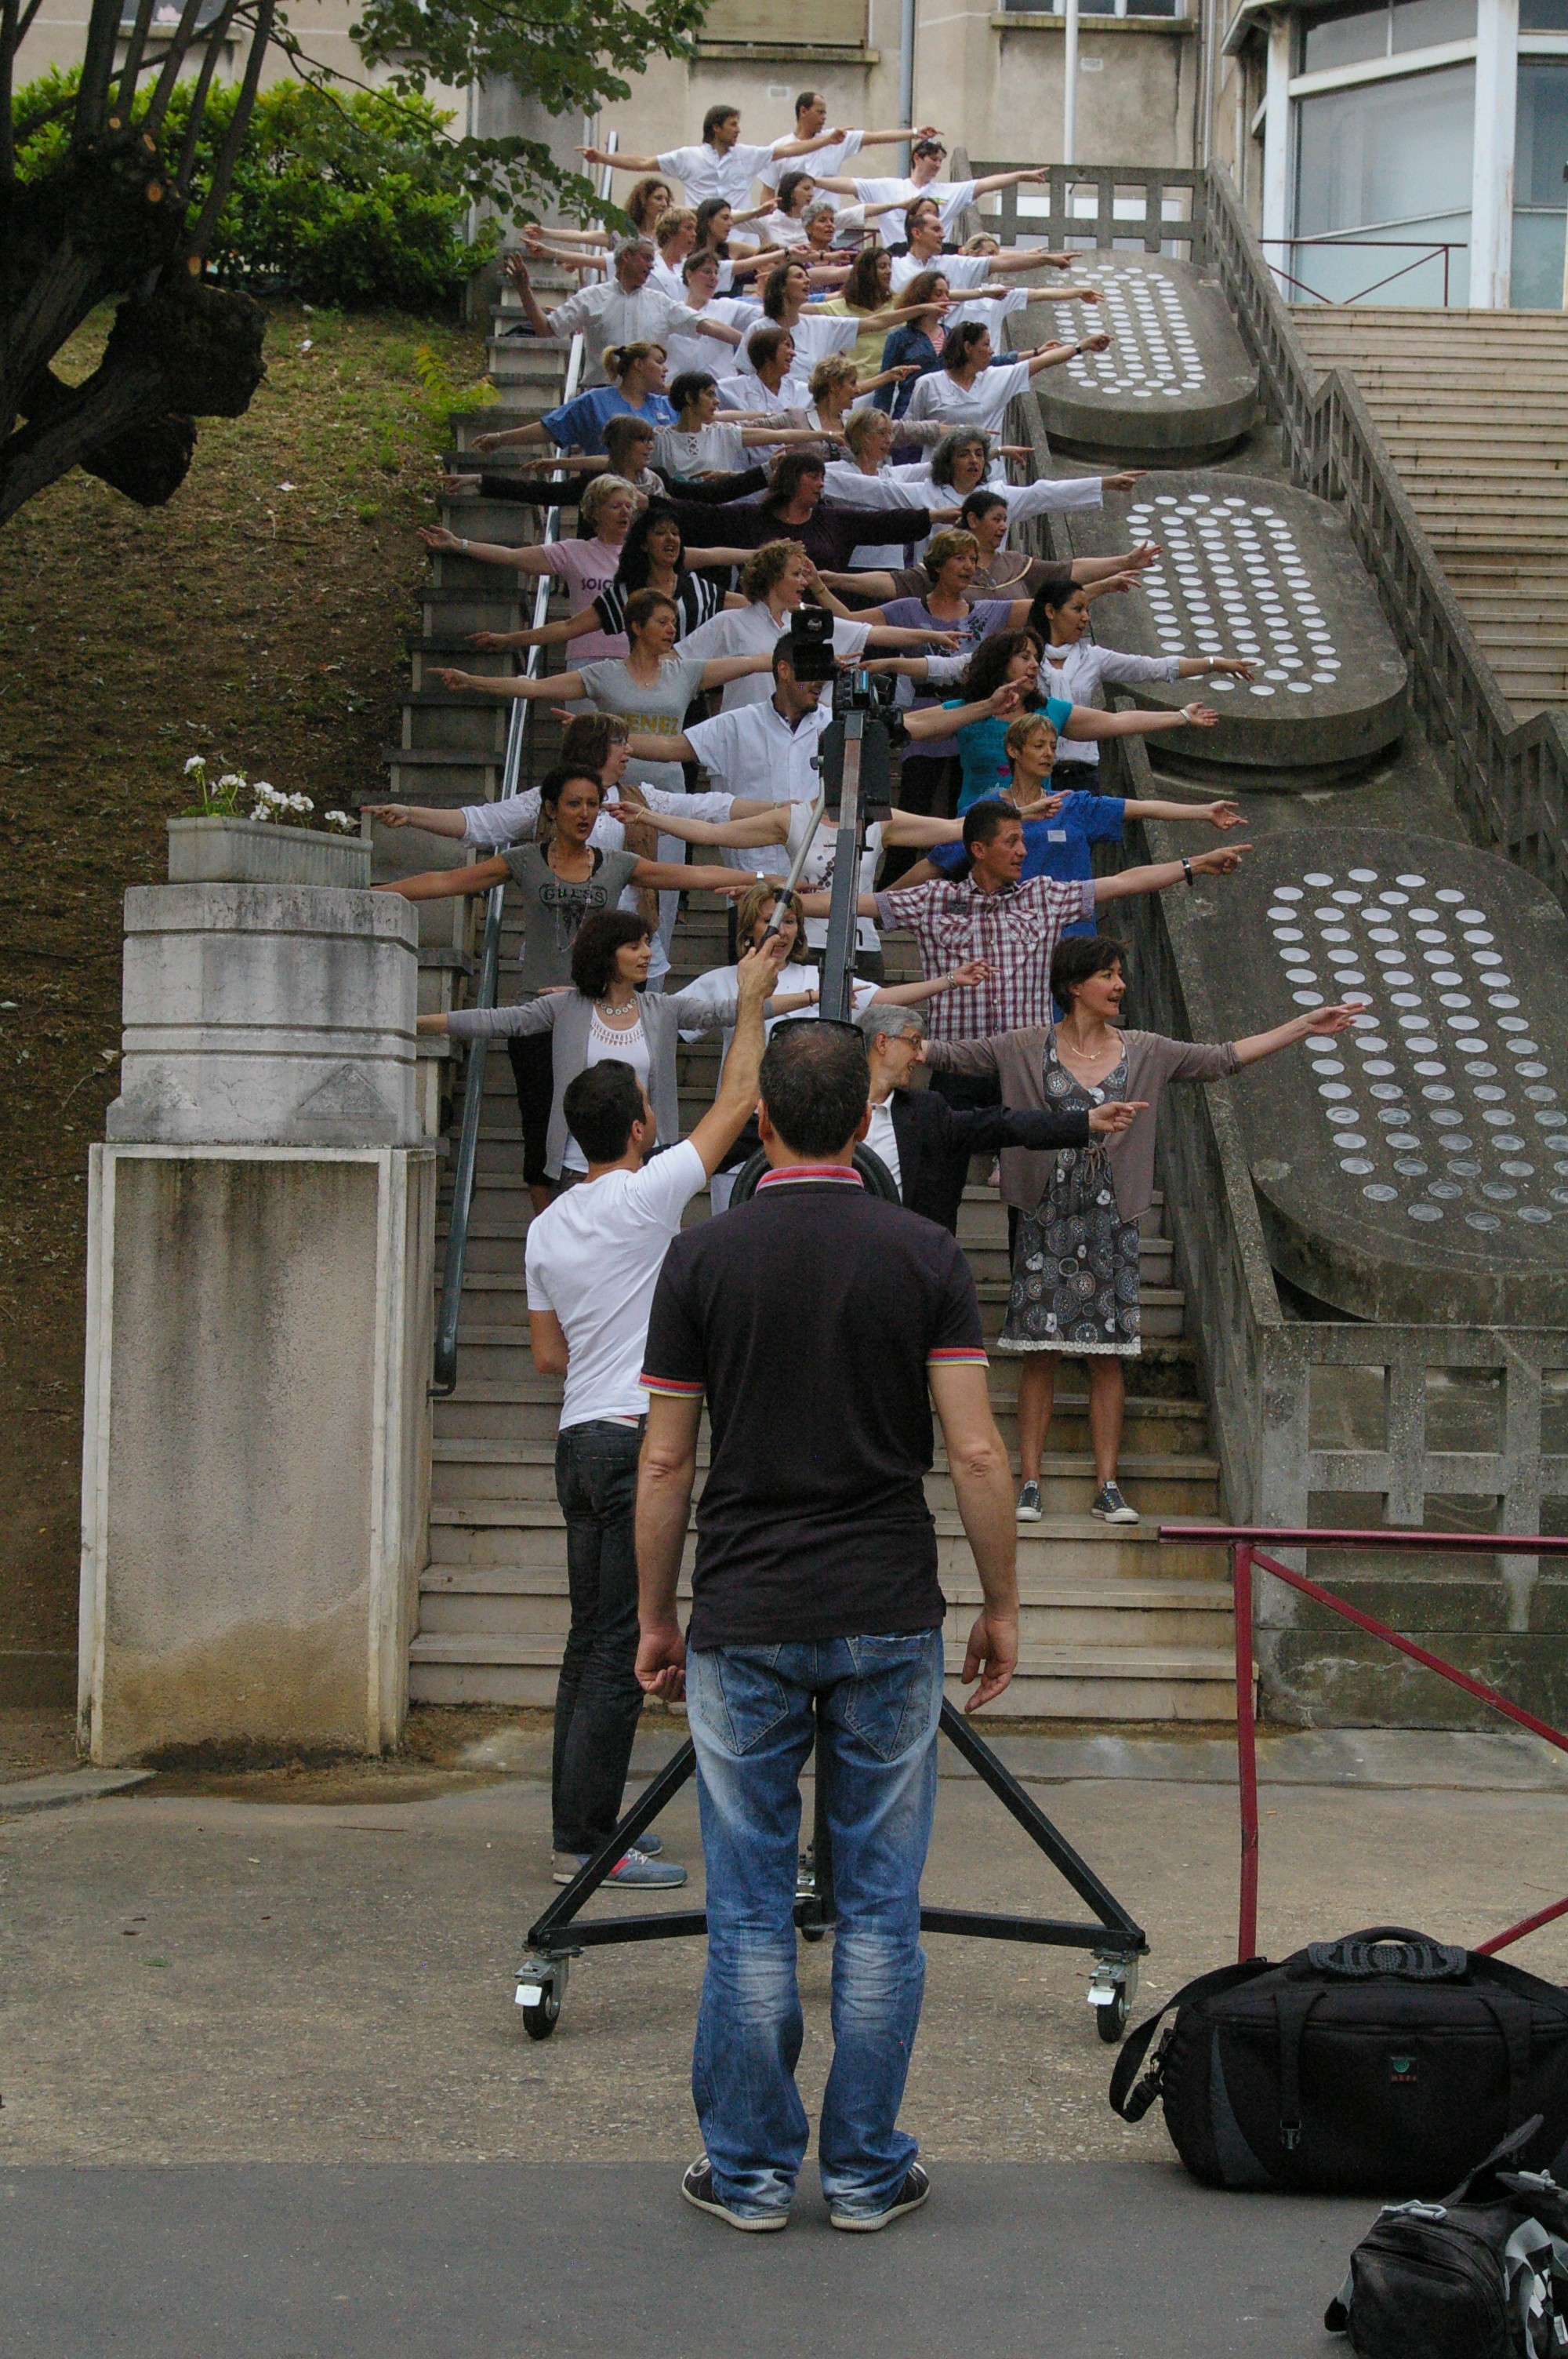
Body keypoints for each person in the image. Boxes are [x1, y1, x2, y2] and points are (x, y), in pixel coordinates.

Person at [635, 1017, 1019, 2233]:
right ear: (864, 1122)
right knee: (880, 1904)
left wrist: (654, 1612)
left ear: (761, 1124)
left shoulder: (702, 1259)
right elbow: (974, 1450)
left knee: (749, 1904)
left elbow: (664, 1462)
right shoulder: (925, 1255)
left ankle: (750, 2174)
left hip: (745, 1604)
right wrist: (1001, 1600)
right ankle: (863, 2172)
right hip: (886, 1604)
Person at [517, 929, 789, 1890]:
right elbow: (735, 1104)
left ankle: (578, 1825)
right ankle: (585, 1842)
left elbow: (548, 1354)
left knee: (586, 1638)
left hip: (577, 1438)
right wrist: (751, 998)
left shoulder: (546, 1225)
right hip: (633, 1439)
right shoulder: (642, 1199)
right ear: (638, 1127)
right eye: (647, 1106)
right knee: (622, 1643)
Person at [924, 935, 1362, 1526]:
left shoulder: (1147, 1050)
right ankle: (1029, 1481)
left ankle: (1108, 1485)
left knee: (1109, 1356)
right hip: (1044, 1215)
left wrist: (1303, 1026)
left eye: (1119, 973)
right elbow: (949, 1056)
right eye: (1107, 975)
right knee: (1039, 1353)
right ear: (1074, 985)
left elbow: (1223, 1058)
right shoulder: (1024, 1045)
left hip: (1112, 1219)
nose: (1120, 985)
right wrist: (880, 1032)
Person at [377, 765, 765, 1209]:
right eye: (574, 803)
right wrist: (380, 891)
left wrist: (762, 882)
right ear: (551, 809)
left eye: (593, 804)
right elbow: (448, 881)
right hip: (540, 1015)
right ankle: (551, 1224)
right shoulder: (525, 860)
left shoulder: (616, 864)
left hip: (598, 1009)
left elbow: (685, 875)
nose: (584, 813)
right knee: (542, 1135)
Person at [419, 902, 815, 1183]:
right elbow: (498, 1020)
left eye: (646, 943)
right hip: (577, 1169)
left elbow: (736, 1008)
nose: (647, 954)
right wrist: (419, 1023)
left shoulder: (662, 1008)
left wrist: (811, 996)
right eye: (635, 946)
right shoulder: (565, 1007)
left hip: (649, 1167)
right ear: (606, 955)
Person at [804, 794, 1250, 1042]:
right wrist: (784, 899)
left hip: (1028, 1061)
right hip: (956, 1063)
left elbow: (1124, 882)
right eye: (1012, 842)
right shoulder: (935, 899)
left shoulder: (1044, 895)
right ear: (979, 850)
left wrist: (1195, 863)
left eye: (1023, 840)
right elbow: (854, 904)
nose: (1023, 850)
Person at [677, 880, 989, 1209]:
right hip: (741, 1126)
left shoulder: (819, 978)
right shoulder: (721, 980)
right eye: (769, 921)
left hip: (802, 1133)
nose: (781, 932)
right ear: (748, 928)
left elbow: (882, 998)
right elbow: (672, 1022)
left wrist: (950, 980)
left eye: (789, 921)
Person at [915, 708, 1243, 943]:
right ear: (1014, 751)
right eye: (1039, 746)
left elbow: (1142, 808)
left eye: (1053, 746)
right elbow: (935, 863)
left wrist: (1203, 811)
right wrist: (886, 899)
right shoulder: (985, 812)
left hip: (1074, 939)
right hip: (1008, 939)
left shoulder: (1075, 805)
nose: (1049, 754)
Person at [855, 1001, 1138, 1234]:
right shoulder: (835, 1106)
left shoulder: (927, 1112)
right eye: (914, 1042)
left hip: (901, 1251)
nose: (919, 1057)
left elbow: (1005, 1125)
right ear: (883, 1043)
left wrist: (1084, 1121)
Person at [895, 628, 1222, 816]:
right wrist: (986, 707)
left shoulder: (1050, 710)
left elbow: (1118, 721)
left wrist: (1180, 716)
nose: (1034, 665)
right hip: (975, 826)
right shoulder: (967, 709)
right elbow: (908, 725)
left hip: (1038, 825)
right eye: (1024, 657)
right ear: (999, 662)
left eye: (1036, 659)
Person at [619, 634, 840, 877]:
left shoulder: (838, 726)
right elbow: (668, 748)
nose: (820, 681)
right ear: (784, 671)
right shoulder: (738, 724)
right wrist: (608, 738)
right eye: (811, 671)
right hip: (751, 877)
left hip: (821, 873)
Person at [674, 537, 959, 711]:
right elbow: (676, 663)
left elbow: (875, 633)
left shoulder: (809, 623)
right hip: (744, 738)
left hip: (799, 738)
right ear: (772, 577)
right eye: (796, 574)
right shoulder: (730, 622)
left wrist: (932, 635)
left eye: (804, 574)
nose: (804, 581)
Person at [1028, 575, 1254, 784]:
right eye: (1077, 609)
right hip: (1030, 769)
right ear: (1050, 611)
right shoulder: (1027, 657)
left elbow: (1153, 668)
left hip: (1081, 773)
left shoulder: (1092, 657)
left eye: (1087, 610)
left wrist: (1212, 664)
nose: (1085, 617)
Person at [460, 502, 745, 661]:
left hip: (690, 695)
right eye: (660, 533)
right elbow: (569, 627)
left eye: (675, 533)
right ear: (644, 545)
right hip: (642, 691)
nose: (670, 539)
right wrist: (509, 639)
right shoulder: (626, 595)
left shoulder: (699, 589)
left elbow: (748, 605)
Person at [419, 472, 641, 667]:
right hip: (586, 657)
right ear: (596, 512)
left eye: (628, 506)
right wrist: (459, 544)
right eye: (616, 506)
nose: (624, 512)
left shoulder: (643, 557)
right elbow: (512, 557)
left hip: (634, 658)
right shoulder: (574, 551)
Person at [663, 450, 953, 582]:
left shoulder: (833, 520)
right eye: (813, 477)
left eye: (822, 478)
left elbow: (884, 523)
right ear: (791, 479)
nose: (820, 484)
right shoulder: (749, 518)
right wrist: (649, 500)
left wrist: (934, 516)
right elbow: (701, 514)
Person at [495, 245, 721, 390]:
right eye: (646, 258)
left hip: (648, 397)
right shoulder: (591, 297)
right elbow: (546, 329)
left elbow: (705, 325)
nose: (652, 266)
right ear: (626, 256)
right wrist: (524, 289)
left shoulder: (661, 302)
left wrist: (742, 340)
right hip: (602, 394)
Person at [583, 104, 851, 210]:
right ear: (716, 128)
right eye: (733, 125)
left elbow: (788, 150)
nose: (738, 130)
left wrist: (826, 140)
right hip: (700, 240)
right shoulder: (687, 157)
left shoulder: (747, 155)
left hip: (739, 240)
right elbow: (643, 163)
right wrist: (602, 158)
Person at [470, 332, 681, 456]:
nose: (666, 370)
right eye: (659, 362)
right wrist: (501, 438)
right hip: (603, 495)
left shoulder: (667, 405)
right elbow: (551, 428)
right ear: (639, 364)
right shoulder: (595, 401)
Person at [904, 319, 1108, 435]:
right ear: (968, 347)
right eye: (986, 344)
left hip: (988, 479)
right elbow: (910, 429)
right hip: (939, 477)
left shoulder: (996, 378)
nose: (991, 351)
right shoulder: (928, 384)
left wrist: (1082, 345)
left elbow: (1045, 361)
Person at [818, 140, 1054, 238]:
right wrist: (813, 181)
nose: (938, 165)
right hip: (898, 262)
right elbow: (849, 184)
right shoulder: (889, 187)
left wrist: (1021, 176)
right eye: (934, 159)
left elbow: (985, 184)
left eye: (941, 161)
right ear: (917, 158)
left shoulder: (948, 192)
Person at [754, 94, 938, 210]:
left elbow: (876, 137)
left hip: (828, 230)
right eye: (820, 112)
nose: (824, 117)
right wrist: (767, 234)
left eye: (825, 113)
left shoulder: (837, 139)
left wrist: (914, 133)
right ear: (803, 111)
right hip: (790, 231)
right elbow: (768, 192)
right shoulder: (781, 147)